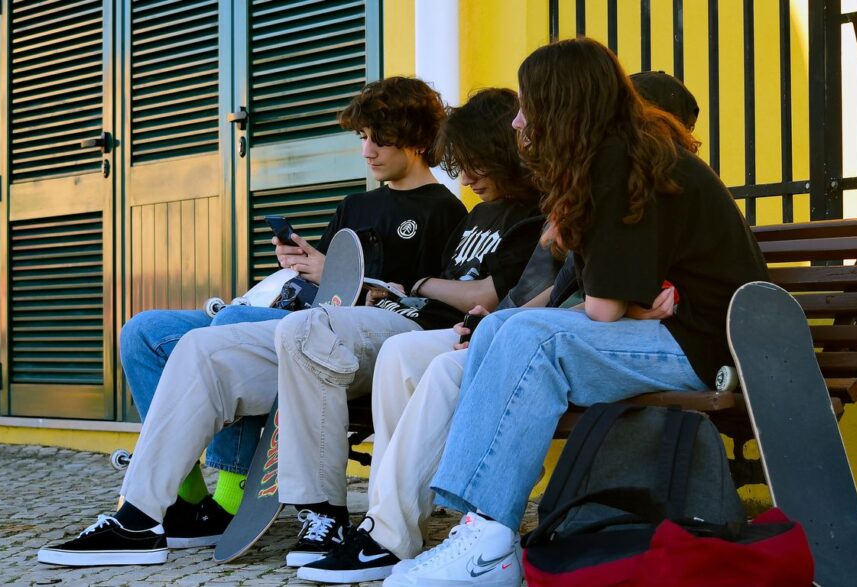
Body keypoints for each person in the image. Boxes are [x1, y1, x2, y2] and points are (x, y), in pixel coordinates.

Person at [36, 87, 542, 568]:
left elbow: (483, 296)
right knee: (200, 348)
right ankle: (137, 520)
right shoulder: (477, 214)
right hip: (356, 316)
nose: (466, 172)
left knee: (305, 332)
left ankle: (323, 516)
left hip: (405, 329)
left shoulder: (515, 214)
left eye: (474, 161)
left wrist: (411, 283)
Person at [388, 38, 769, 587]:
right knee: (499, 325)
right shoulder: (621, 153)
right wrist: (638, 306)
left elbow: (601, 306)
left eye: (528, 105)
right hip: (677, 332)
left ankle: (489, 544)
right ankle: (479, 527)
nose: (518, 122)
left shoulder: (625, 158)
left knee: (532, 338)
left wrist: (634, 307)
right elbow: (615, 293)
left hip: (708, 349)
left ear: (562, 104)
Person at [295, 71, 697, 585]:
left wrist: (505, 317)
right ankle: (394, 529)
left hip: (637, 343)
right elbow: (572, 293)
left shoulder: (637, 184)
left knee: (498, 347)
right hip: (567, 330)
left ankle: (482, 534)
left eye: (528, 113)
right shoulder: (599, 185)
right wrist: (505, 319)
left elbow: (619, 302)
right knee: (431, 362)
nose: (520, 124)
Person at [113, 76, 466, 547]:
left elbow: (418, 310)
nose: (367, 150)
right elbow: (319, 284)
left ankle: (234, 491)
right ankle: (185, 499)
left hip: (341, 338)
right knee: (144, 330)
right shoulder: (354, 204)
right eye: (362, 137)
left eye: (380, 137)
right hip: (296, 312)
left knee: (232, 325)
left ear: (418, 138)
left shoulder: (443, 210)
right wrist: (301, 265)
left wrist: (344, 279)